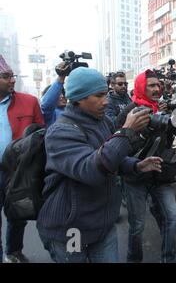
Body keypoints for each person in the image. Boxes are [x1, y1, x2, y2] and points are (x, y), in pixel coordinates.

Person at [36, 67, 163, 263]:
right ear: (78, 98)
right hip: (71, 230)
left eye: (106, 94)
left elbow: (113, 159)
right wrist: (126, 132)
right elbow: (91, 170)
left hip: (103, 225)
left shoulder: (102, 122)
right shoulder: (60, 131)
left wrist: (136, 166)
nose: (106, 101)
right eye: (99, 95)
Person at [116, 69, 176, 263]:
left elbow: (171, 130)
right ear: (140, 88)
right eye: (151, 85)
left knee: (172, 215)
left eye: (158, 85)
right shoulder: (129, 111)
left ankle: (167, 256)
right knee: (137, 226)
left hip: (160, 174)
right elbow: (117, 142)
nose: (156, 88)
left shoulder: (162, 108)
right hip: (135, 178)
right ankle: (133, 259)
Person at [0, 55, 44, 263]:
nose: (12, 80)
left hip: (17, 171)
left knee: (18, 212)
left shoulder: (29, 102)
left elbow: (39, 133)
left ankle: (14, 251)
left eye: (12, 75)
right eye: (6, 76)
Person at [40, 62, 69, 126]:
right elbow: (46, 105)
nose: (62, 96)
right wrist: (61, 77)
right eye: (58, 94)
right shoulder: (50, 114)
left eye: (63, 93)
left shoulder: (72, 112)